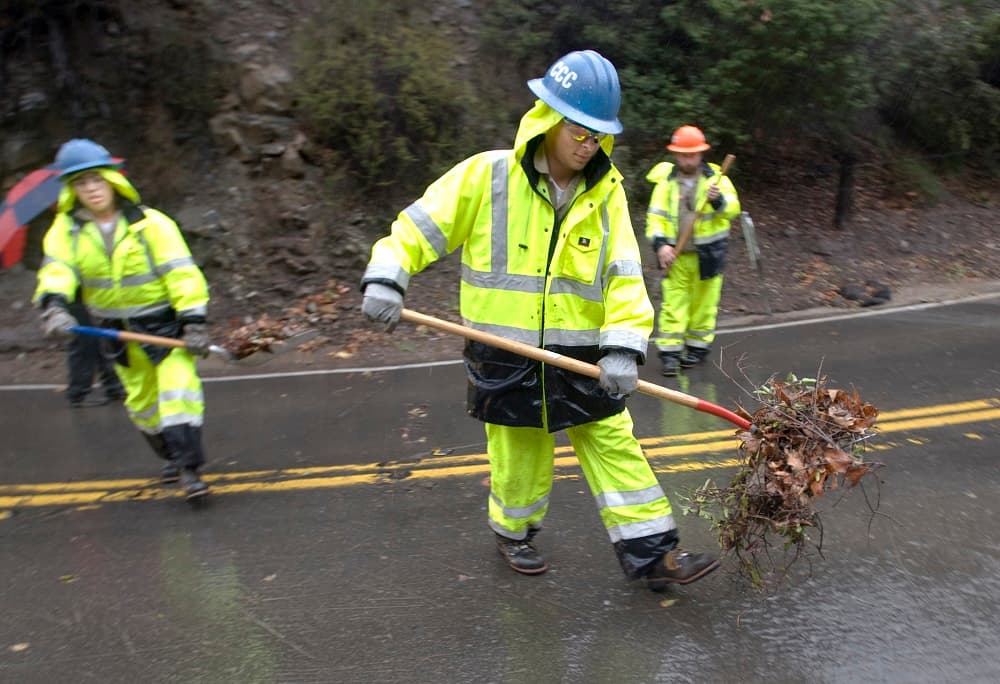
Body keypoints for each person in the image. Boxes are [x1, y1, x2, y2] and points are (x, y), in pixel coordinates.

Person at [361, 50, 719, 591]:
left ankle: (655, 556)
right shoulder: (487, 176)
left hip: (585, 352)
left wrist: (623, 346)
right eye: (578, 130)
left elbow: (624, 273)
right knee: (519, 456)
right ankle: (514, 532)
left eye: (597, 135)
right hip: (503, 350)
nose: (587, 143)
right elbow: (418, 228)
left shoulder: (607, 194)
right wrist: (387, 275)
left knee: (614, 445)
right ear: (548, 118)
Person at [33, 139, 212, 499]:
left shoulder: (151, 224)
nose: (91, 189)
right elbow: (57, 271)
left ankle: (190, 471)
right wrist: (54, 306)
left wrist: (193, 320)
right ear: (72, 189)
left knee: (178, 393)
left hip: (164, 326)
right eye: (82, 183)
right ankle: (171, 457)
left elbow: (182, 274)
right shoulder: (67, 232)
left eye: (97, 180)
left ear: (112, 181)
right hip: (116, 335)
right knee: (144, 406)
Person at [645, 125, 740, 376]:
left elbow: (732, 210)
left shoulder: (717, 180)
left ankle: (696, 350)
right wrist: (660, 245)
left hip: (708, 256)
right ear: (675, 154)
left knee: (704, 306)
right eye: (683, 154)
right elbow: (655, 218)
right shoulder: (665, 184)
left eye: (692, 154)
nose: (688, 158)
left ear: (701, 153)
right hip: (676, 258)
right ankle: (669, 355)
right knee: (673, 306)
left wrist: (718, 200)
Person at [64, 290, 126, 408]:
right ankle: (79, 393)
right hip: (73, 292)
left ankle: (114, 386)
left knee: (100, 338)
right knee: (84, 341)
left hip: (89, 292)